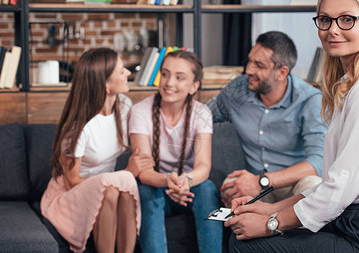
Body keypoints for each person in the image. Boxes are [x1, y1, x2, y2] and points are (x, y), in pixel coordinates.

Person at [225, 0, 359, 253]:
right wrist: (267, 208)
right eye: (325, 20)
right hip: (354, 221)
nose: (333, 30)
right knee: (245, 234)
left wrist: (271, 223)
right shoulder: (354, 84)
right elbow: (332, 184)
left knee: (248, 245)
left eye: (347, 19)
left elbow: (339, 190)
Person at [41, 48, 153, 253]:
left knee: (122, 187)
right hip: (70, 195)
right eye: (121, 71)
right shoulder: (79, 127)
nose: (128, 73)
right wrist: (127, 173)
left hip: (108, 186)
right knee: (113, 187)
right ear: (105, 85)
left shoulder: (124, 107)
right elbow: (71, 181)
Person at [207, 31, 326, 206]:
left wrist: (262, 180)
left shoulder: (310, 100)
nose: (248, 70)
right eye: (249, 61)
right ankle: (257, 229)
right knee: (231, 186)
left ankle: (293, 230)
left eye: (259, 65)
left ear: (281, 72)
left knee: (314, 186)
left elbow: (317, 162)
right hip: (258, 188)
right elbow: (201, 117)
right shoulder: (237, 91)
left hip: (293, 185)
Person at [129, 50, 222, 253]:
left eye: (179, 77)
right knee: (145, 191)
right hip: (158, 185)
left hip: (189, 187)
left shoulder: (202, 113)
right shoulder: (139, 112)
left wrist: (184, 182)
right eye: (165, 74)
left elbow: (203, 166)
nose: (169, 83)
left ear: (194, 86)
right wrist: (167, 181)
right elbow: (143, 172)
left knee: (207, 188)